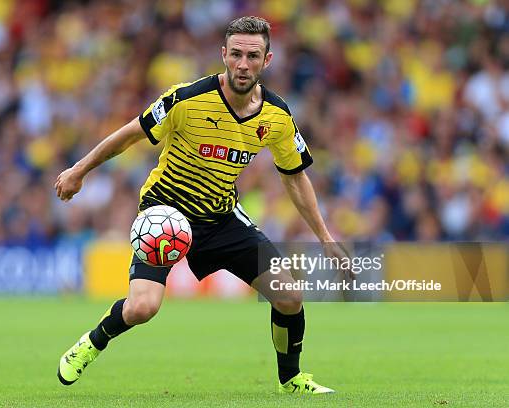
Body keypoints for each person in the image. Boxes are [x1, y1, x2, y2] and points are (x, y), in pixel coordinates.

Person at [54, 16, 351, 395]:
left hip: (221, 217)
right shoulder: (186, 98)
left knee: (290, 295)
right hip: (166, 214)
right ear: (223, 54)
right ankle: (94, 341)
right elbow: (130, 134)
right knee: (142, 308)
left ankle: (290, 380)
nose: (244, 64)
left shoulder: (277, 116)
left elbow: (294, 175)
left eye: (253, 56)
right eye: (237, 54)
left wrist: (325, 237)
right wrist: (79, 171)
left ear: (268, 60)